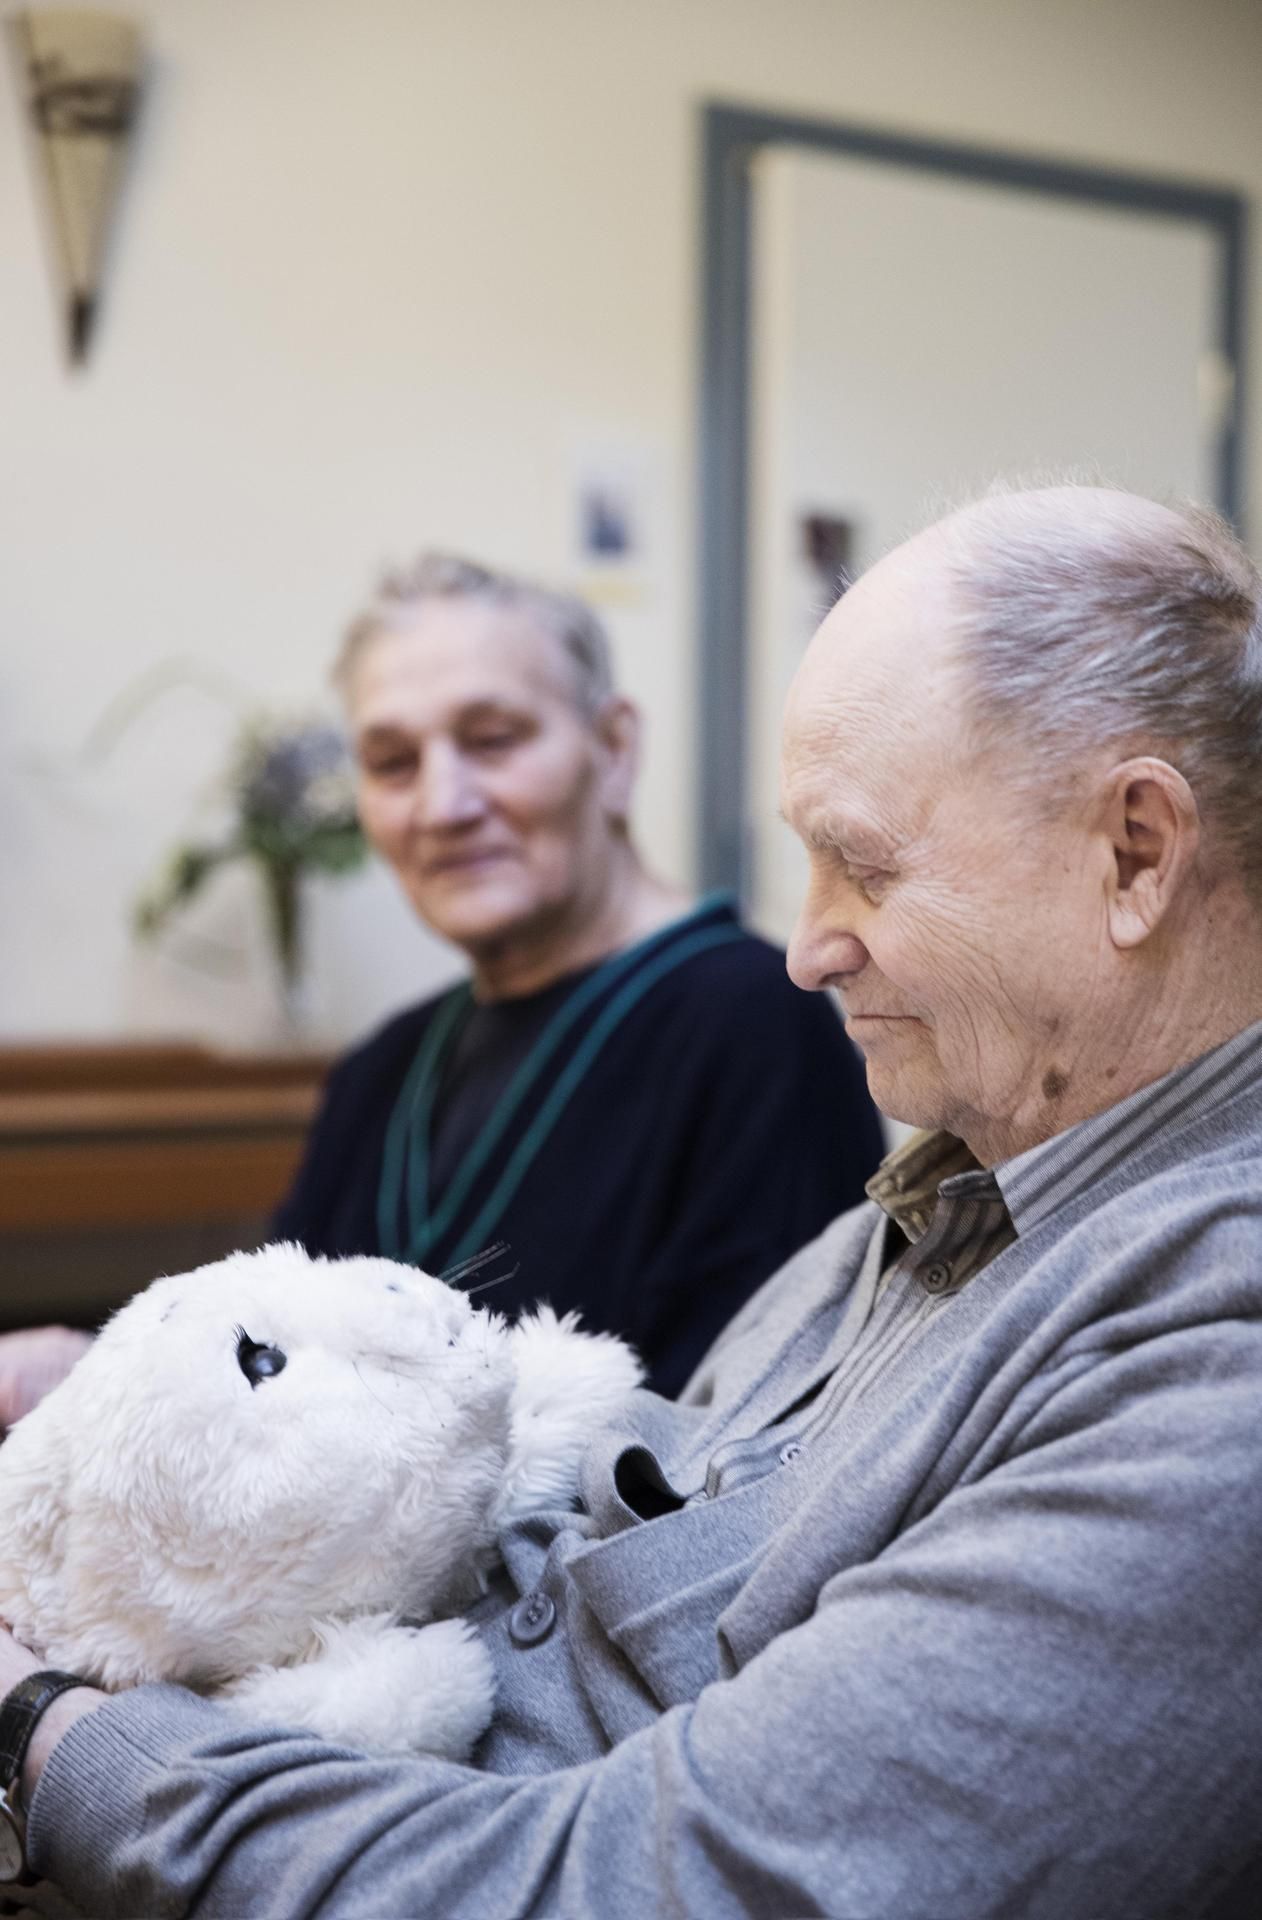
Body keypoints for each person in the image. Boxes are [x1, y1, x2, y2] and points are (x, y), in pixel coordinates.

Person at [5, 485, 1262, 1918]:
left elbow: (664, 1879)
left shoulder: (1210, 1353)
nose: (806, 948)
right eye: (392, 758)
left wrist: (55, 1736)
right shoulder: (932, 1201)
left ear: (1136, 854)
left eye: (861, 864)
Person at [0, 557, 881, 1414]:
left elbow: (738, 1446)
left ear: (613, 749)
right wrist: (96, 1380)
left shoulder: (758, 1025)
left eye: (492, 740)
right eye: (391, 762)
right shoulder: (380, 1072)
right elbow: (261, 1372)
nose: (442, 804)